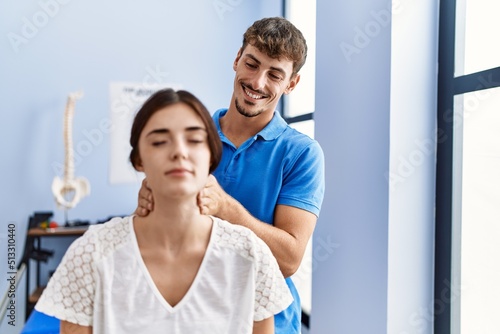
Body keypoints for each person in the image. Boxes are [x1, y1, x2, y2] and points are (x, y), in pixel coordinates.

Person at [35, 89, 293, 334]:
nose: (179, 152)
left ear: (211, 156)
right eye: (159, 141)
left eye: (194, 140)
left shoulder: (250, 255)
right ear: (139, 161)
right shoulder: (91, 253)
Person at [137, 17, 325, 334]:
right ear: (237, 59)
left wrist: (227, 209)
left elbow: (289, 260)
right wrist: (148, 206)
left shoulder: (302, 154)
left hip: (267, 322)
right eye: (252, 64)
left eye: (275, 75)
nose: (257, 82)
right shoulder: (189, 137)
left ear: (291, 84)